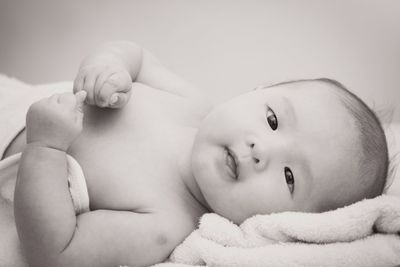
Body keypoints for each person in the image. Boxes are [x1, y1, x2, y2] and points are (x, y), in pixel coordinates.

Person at [9, 41, 388, 267]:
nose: (262, 151)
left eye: (290, 177)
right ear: (257, 90)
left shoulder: (165, 224)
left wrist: (46, 148)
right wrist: (109, 65)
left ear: (284, 221)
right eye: (273, 119)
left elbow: (54, 249)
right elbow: (137, 56)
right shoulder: (190, 103)